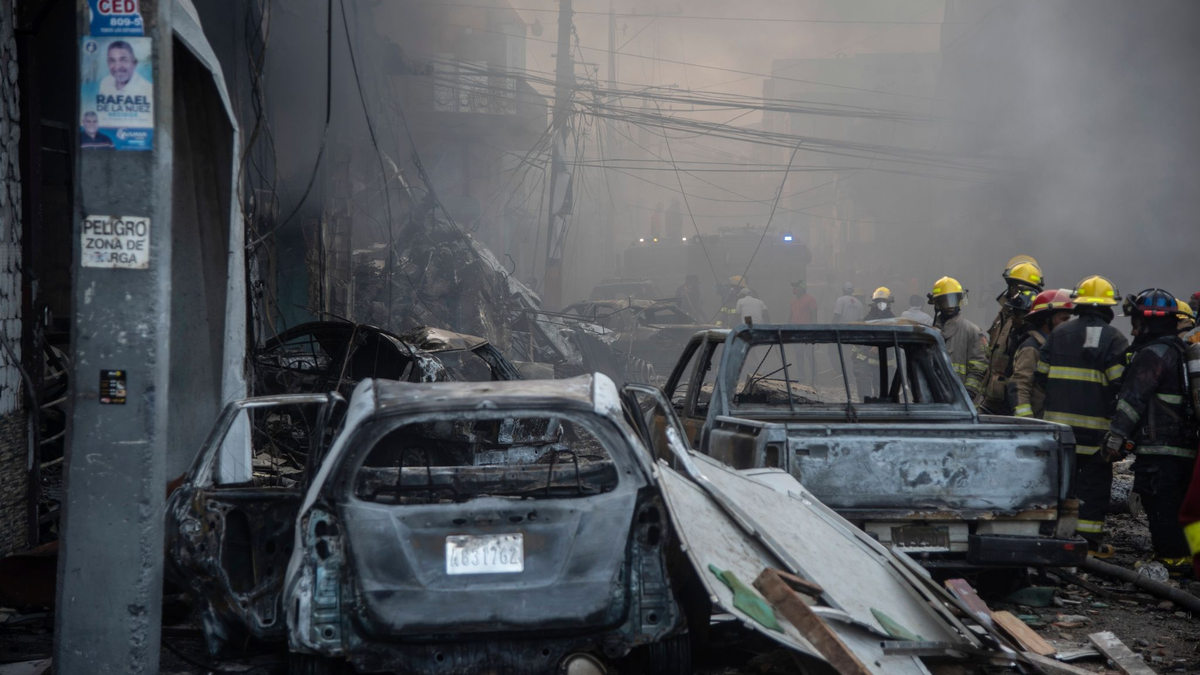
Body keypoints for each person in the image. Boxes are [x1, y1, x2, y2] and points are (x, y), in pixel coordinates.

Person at [1103, 289, 1196, 576]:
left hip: (1159, 446)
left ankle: (1172, 560)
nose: (1132, 329)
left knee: (1160, 503)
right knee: (1182, 506)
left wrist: (1115, 437)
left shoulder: (1152, 355)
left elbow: (1132, 400)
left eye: (1137, 321)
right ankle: (1190, 557)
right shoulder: (1181, 351)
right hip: (1185, 446)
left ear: (1149, 322)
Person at [1036, 275, 1128, 556]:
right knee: (1093, 489)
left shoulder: (1059, 334)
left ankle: (1053, 536)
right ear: (1109, 307)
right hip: (1095, 435)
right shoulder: (1115, 339)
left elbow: (1040, 379)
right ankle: (1087, 546)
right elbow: (1120, 385)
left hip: (1059, 432)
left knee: (1060, 487)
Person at [979, 259, 1045, 414]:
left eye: (1015, 286)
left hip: (1011, 399)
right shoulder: (1005, 313)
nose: (1011, 291)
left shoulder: (1027, 320)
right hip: (993, 396)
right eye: (1011, 285)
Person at [1007, 288, 1073, 419]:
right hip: (1040, 423)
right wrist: (1028, 422)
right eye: (1064, 319)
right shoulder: (1032, 348)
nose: (1068, 324)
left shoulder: (1059, 346)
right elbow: (1020, 386)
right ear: (1046, 319)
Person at [929, 277, 988, 398]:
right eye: (945, 301)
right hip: (935, 399)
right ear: (937, 304)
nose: (950, 305)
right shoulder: (929, 332)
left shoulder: (972, 331)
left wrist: (968, 394)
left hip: (963, 402)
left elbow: (980, 368)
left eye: (953, 300)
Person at [790, 281, 818, 381]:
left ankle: (814, 375)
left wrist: (814, 331)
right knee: (798, 353)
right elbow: (791, 316)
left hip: (807, 331)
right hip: (796, 332)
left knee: (809, 354)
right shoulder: (793, 301)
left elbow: (814, 315)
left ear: (802, 288)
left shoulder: (810, 299)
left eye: (796, 287)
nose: (794, 289)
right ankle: (801, 375)